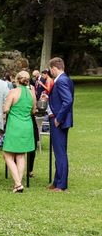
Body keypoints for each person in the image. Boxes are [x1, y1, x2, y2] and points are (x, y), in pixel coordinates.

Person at [2, 71, 37, 192]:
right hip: (27, 126)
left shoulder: (13, 92)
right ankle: (18, 183)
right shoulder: (32, 93)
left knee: (7, 155)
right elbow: (33, 111)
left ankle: (17, 184)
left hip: (14, 126)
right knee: (21, 155)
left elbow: (6, 109)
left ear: (17, 80)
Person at [47, 57, 74, 192]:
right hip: (61, 120)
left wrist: (58, 118)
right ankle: (56, 181)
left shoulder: (61, 80)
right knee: (58, 151)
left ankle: (61, 185)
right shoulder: (65, 79)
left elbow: (68, 101)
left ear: (53, 68)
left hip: (59, 122)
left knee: (60, 152)